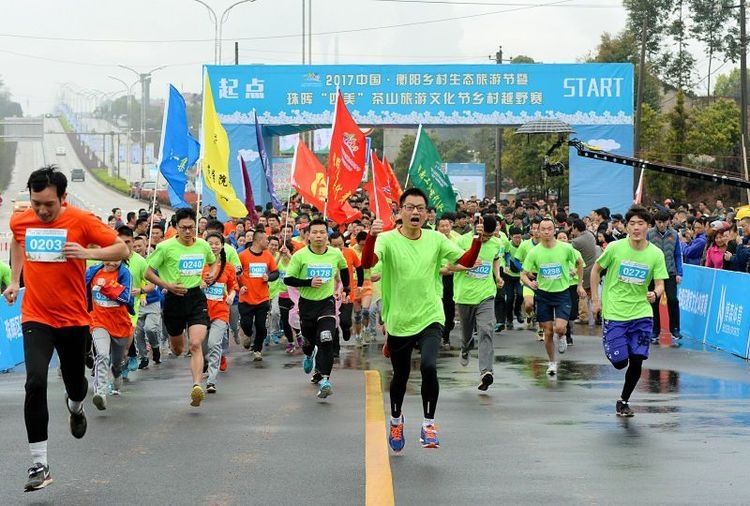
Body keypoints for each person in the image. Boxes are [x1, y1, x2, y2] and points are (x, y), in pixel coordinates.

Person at [4, 166, 129, 492]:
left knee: (76, 385)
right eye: (36, 204)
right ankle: (40, 464)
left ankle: (75, 407)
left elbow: (121, 249)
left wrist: (88, 253)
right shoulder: (21, 219)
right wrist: (16, 281)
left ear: (63, 197)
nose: (42, 211)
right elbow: (18, 242)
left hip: (73, 320)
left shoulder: (81, 220)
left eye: (49, 204)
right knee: (34, 382)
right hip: (36, 316)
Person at [361, 188, 482, 452]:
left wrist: (478, 241)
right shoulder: (387, 240)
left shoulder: (436, 239)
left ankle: (428, 425)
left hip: (430, 315)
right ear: (400, 211)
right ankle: (396, 419)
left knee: (428, 366)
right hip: (400, 319)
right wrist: (370, 237)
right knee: (401, 376)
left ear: (427, 213)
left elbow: (465, 260)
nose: (415, 212)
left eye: (420, 208)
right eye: (410, 207)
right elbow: (368, 263)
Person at [591, 206, 668, 417]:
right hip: (615, 312)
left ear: (648, 226)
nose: (636, 228)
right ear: (626, 226)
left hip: (642, 313)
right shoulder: (615, 248)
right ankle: (611, 343)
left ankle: (623, 401)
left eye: (640, 223)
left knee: (637, 359)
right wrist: (595, 300)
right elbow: (596, 270)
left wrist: (655, 293)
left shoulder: (656, 253)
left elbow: (660, 284)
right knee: (619, 362)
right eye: (632, 223)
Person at [145, 207, 218, 407]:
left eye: (191, 228)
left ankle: (196, 386)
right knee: (178, 349)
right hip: (174, 299)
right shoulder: (165, 247)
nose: (188, 232)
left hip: (196, 297)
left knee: (195, 344)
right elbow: (148, 273)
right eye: (184, 228)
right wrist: (167, 286)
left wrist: (211, 273)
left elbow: (214, 262)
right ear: (176, 227)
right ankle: (177, 346)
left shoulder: (203, 245)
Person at [284, 219, 349, 399]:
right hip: (307, 305)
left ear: (327, 235)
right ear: (308, 235)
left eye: (322, 232)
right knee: (310, 342)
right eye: (315, 232)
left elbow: (344, 269)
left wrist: (348, 289)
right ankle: (308, 353)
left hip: (327, 303)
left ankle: (325, 379)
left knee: (326, 338)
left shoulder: (335, 254)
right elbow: (288, 279)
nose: (319, 236)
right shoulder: (300, 256)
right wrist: (308, 283)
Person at [521, 218, 585, 376]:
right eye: (543, 229)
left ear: (555, 230)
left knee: (560, 328)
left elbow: (580, 263)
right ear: (538, 231)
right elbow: (523, 273)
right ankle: (552, 362)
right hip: (543, 295)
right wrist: (530, 283)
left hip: (562, 293)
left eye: (550, 229)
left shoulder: (565, 248)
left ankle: (562, 336)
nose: (547, 232)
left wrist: (579, 284)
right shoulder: (534, 252)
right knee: (548, 332)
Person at [452, 215, 504, 391]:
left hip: (486, 295)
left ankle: (486, 372)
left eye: (490, 235)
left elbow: (496, 259)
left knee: (486, 330)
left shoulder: (496, 244)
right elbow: (448, 267)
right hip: (464, 296)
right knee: (467, 334)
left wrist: (497, 276)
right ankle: (465, 348)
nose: (487, 238)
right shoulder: (462, 242)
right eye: (485, 235)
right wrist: (468, 266)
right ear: (477, 227)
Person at [85, 259, 135, 410]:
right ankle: (100, 392)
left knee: (117, 360)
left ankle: (117, 373)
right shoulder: (93, 271)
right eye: (109, 257)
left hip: (119, 324)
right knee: (102, 354)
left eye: (116, 259)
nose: (112, 262)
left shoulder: (125, 273)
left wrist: (107, 287)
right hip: (98, 321)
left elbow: (126, 297)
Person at [201, 232, 237, 393]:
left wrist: (231, 295)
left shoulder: (228, 267)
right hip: (200, 312)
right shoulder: (200, 264)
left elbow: (233, 286)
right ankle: (204, 364)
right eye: (210, 243)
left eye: (217, 243)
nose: (214, 246)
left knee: (214, 344)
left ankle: (211, 380)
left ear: (222, 246)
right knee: (201, 347)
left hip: (220, 311)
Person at [238, 228, 279, 361]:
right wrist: (240, 286)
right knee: (246, 324)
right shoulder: (243, 256)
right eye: (266, 239)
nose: (268, 242)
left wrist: (269, 277)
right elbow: (236, 274)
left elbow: (275, 272)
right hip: (246, 298)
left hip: (262, 298)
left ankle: (257, 349)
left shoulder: (268, 256)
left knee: (261, 326)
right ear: (259, 240)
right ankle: (248, 335)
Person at [647, 210, 684, 342]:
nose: (661, 224)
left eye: (664, 222)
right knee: (654, 301)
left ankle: (675, 329)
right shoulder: (649, 234)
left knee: (673, 300)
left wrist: (679, 272)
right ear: (655, 222)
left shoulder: (674, 234)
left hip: (670, 272)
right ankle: (655, 330)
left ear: (669, 221)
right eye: (659, 222)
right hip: (653, 274)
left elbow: (677, 255)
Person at [330, 232, 364, 358]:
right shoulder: (325, 255)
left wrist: (360, 285)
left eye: (340, 244)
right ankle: (335, 349)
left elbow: (359, 268)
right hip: (330, 293)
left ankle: (346, 328)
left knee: (344, 321)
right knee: (332, 322)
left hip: (346, 292)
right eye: (334, 246)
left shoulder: (350, 252)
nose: (338, 248)